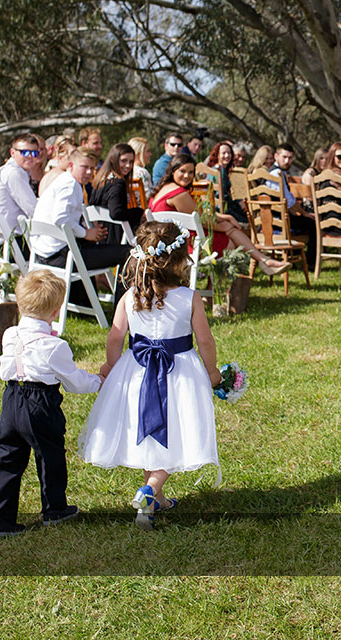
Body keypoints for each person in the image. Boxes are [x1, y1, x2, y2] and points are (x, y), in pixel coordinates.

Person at [78, 221, 223, 528]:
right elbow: (205, 340)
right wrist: (211, 371)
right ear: (180, 259)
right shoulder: (189, 297)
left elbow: (115, 336)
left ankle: (155, 500)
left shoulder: (130, 296)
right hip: (179, 372)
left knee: (150, 434)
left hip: (137, 372)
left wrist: (110, 365)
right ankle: (151, 489)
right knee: (175, 433)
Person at [0, 270, 102, 537]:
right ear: (56, 311)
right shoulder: (54, 346)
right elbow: (74, 382)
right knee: (50, 455)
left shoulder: (10, 335)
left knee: (7, 457)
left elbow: (4, 370)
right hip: (40, 403)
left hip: (11, 399)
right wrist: (99, 381)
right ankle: (54, 508)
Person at [148, 154, 292, 275]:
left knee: (228, 229)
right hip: (181, 245)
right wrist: (225, 226)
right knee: (228, 242)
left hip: (168, 241)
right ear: (173, 171)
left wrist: (226, 218)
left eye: (191, 172)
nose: (187, 176)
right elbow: (203, 221)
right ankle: (262, 262)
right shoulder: (178, 194)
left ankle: (263, 261)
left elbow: (200, 215)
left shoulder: (164, 189)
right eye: (183, 171)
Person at [29, 149, 131, 306]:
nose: (89, 172)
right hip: (60, 257)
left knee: (94, 247)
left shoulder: (63, 180)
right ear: (71, 165)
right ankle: (121, 309)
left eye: (92, 168)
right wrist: (85, 233)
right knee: (128, 253)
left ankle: (83, 303)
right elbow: (60, 219)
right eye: (85, 167)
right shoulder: (70, 185)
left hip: (44, 254)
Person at [0, 133, 43, 252]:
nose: (30, 157)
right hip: (3, 245)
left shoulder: (10, 170)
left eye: (34, 153)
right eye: (24, 152)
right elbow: (32, 210)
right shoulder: (14, 173)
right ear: (12, 152)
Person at [266, 144, 317, 266]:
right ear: (276, 156)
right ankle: (311, 263)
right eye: (284, 157)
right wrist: (305, 214)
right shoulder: (277, 174)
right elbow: (290, 201)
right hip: (278, 222)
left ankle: (295, 256)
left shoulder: (270, 172)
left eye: (290, 158)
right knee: (312, 223)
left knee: (305, 220)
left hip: (272, 219)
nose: (287, 161)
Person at [87, 143, 145, 245]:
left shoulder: (102, 179)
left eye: (131, 162)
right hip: (114, 238)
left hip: (102, 237)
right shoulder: (117, 183)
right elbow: (116, 213)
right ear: (113, 159)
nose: (128, 165)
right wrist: (138, 212)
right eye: (123, 161)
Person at [203, 141, 248, 224]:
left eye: (229, 153)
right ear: (218, 155)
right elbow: (224, 197)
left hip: (212, 207)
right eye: (224, 153)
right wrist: (239, 203)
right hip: (221, 209)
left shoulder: (213, 169)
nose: (227, 156)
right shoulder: (220, 171)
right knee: (249, 218)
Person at [127, 136, 154, 203]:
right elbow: (149, 196)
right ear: (138, 154)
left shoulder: (125, 171)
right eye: (148, 151)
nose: (150, 154)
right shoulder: (142, 172)